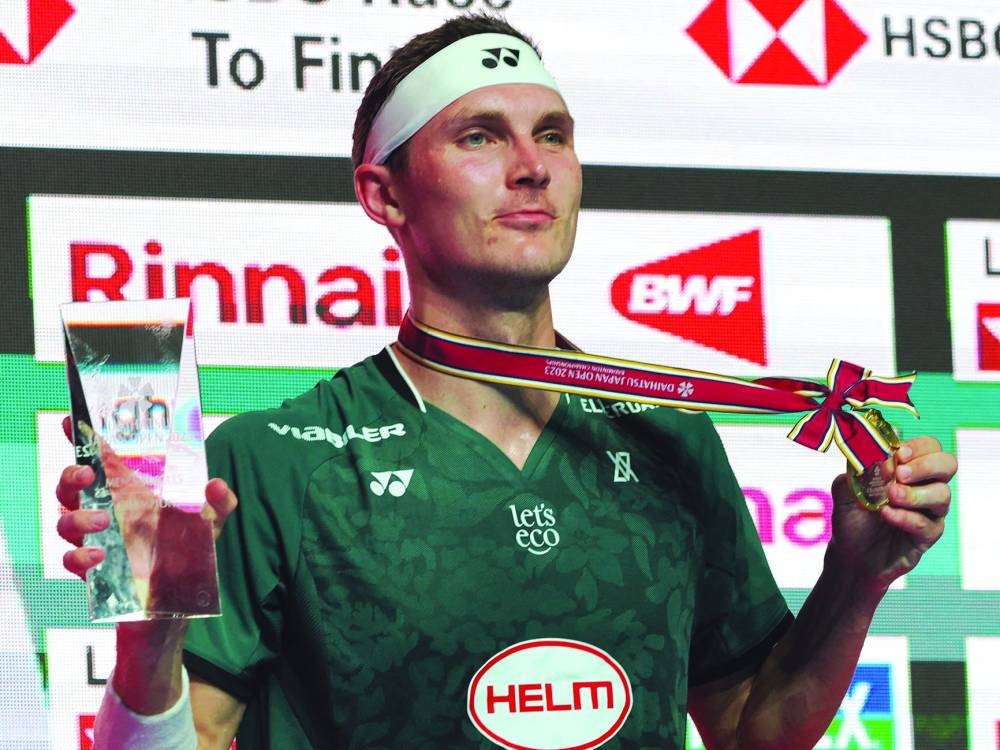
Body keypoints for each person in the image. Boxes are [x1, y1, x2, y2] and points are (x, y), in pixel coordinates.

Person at [56, 13, 957, 750]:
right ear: (385, 196)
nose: (532, 165)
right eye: (480, 136)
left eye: (553, 135)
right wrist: (151, 634)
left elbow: (754, 727)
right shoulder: (267, 463)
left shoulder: (671, 440)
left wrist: (854, 577)